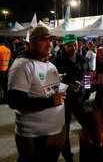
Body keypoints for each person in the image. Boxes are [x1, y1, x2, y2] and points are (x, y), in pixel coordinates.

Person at [7, 26, 67, 162]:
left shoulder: (49, 65)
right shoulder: (22, 66)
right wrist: (51, 102)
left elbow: (45, 90)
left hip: (56, 132)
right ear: (32, 42)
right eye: (45, 40)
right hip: (35, 137)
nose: (50, 45)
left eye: (51, 41)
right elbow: (15, 101)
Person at [51, 34, 90, 162]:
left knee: (89, 125)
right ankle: (68, 156)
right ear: (64, 46)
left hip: (80, 100)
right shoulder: (57, 61)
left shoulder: (83, 59)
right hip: (64, 101)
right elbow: (51, 83)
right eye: (69, 45)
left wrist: (87, 89)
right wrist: (67, 86)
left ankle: (89, 151)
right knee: (64, 130)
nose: (72, 48)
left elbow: (89, 75)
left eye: (74, 44)